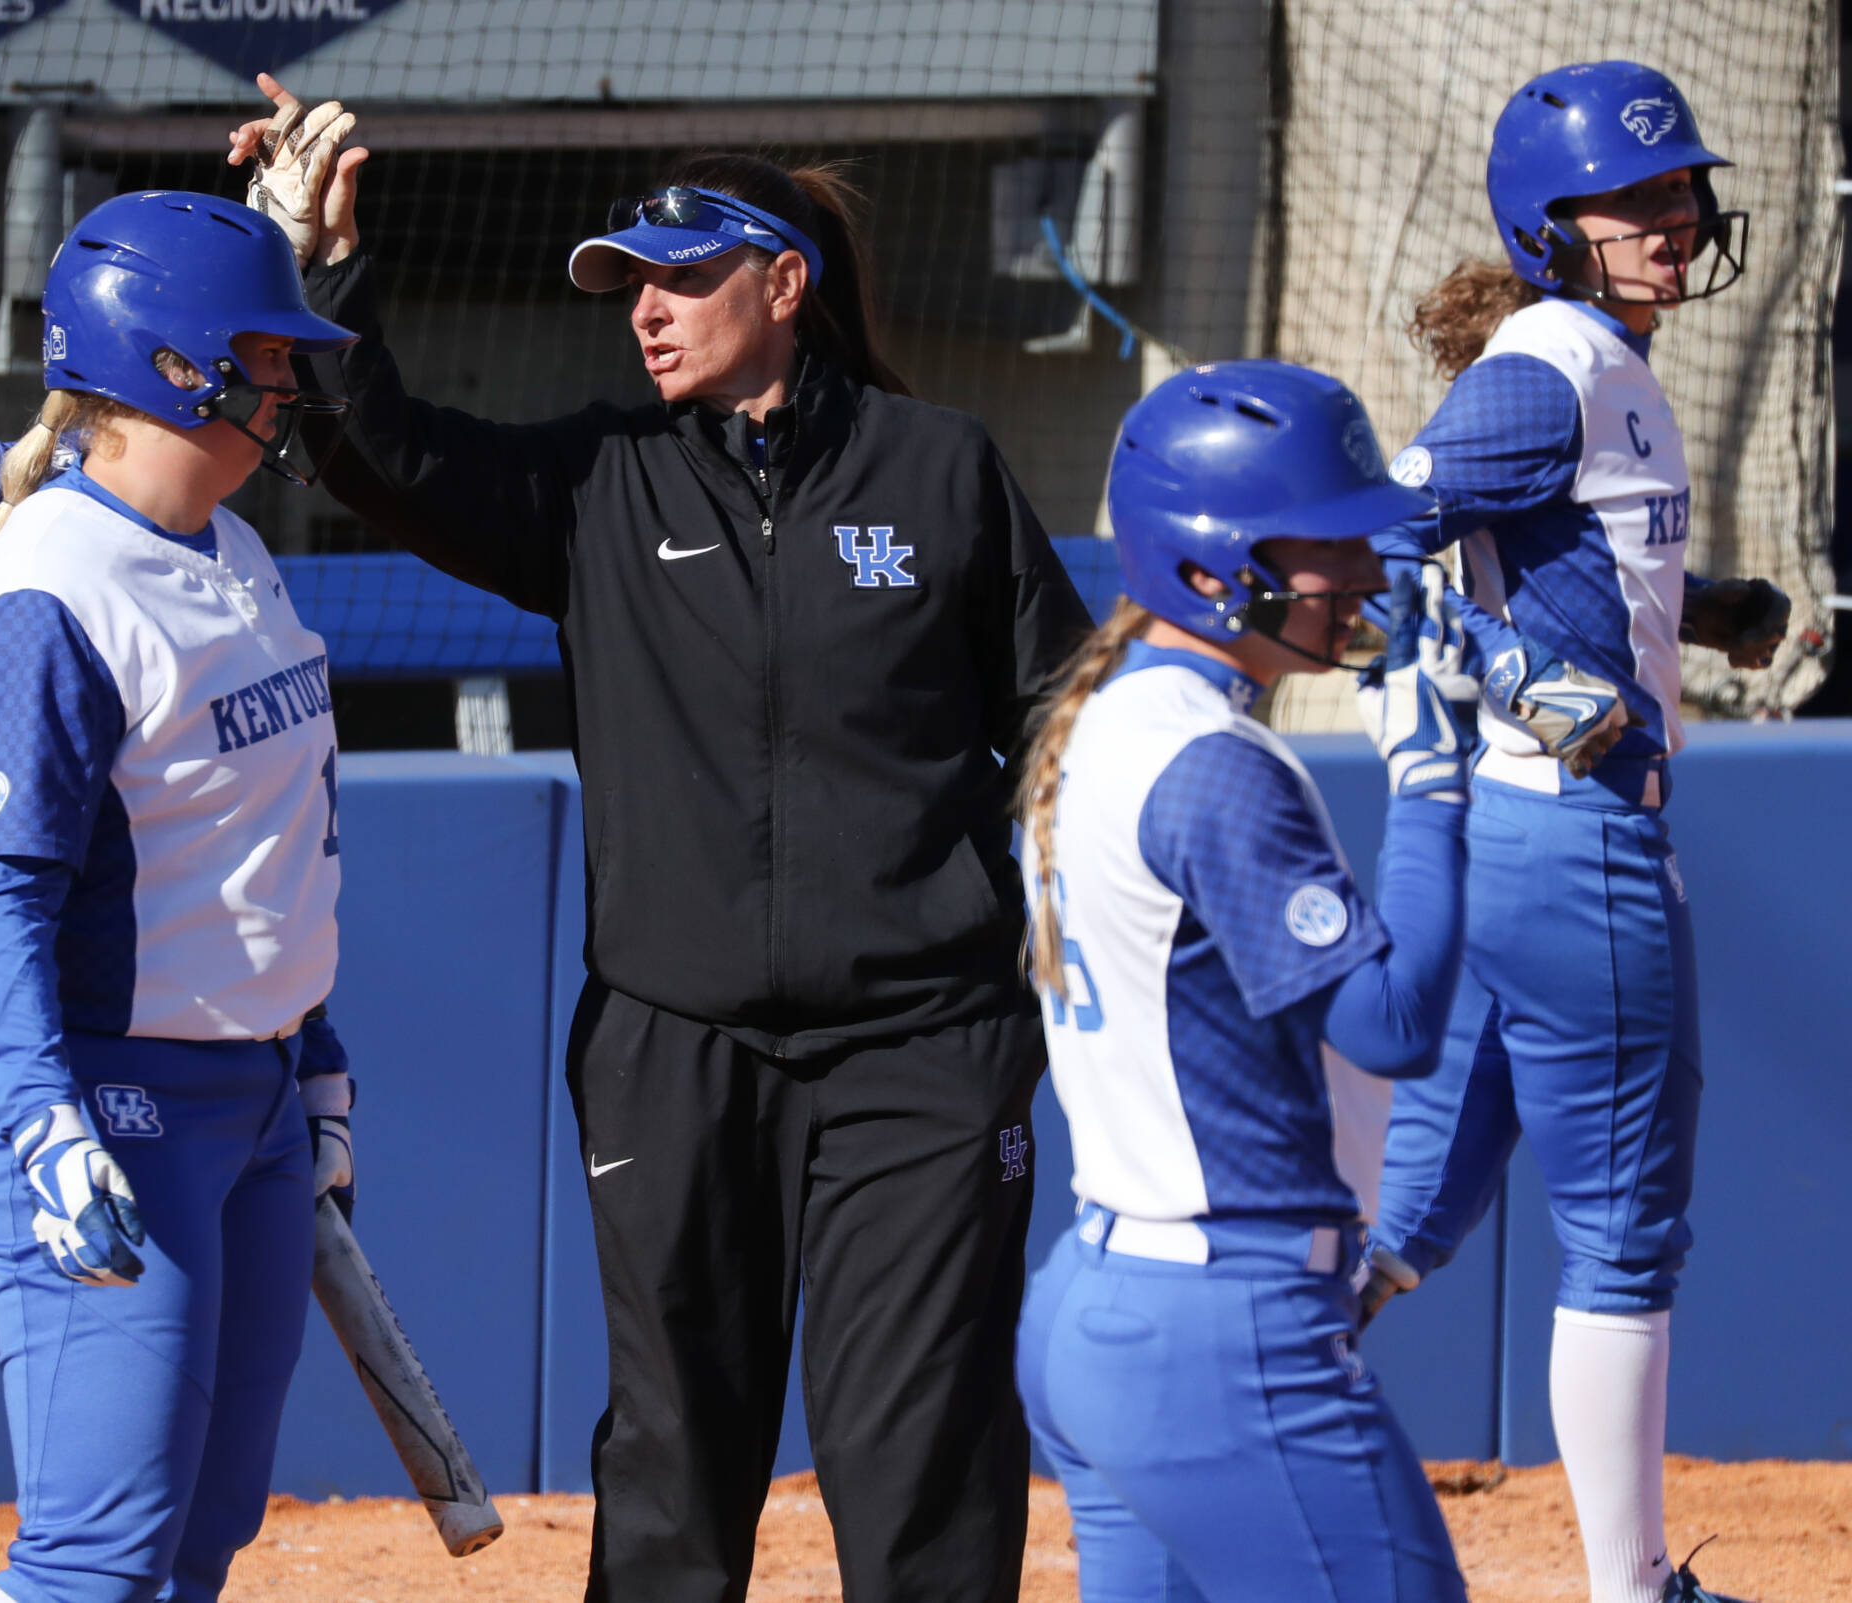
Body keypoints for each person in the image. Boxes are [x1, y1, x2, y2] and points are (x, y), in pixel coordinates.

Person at [227, 76, 1093, 1603]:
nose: (646, 309)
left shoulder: (942, 468)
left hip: (926, 1053)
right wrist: (316, 267)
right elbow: (379, 450)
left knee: (927, 1456)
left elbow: (1070, 727)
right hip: (674, 1049)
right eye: (629, 283)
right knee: (676, 1461)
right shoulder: (597, 483)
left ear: (785, 283)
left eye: (684, 278)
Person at [0, 188, 359, 1603]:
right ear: (172, 362)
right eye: (265, 355)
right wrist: (47, 1128)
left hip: (247, 1097)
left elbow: (264, 852)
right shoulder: (49, 589)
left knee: (201, 1532)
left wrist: (313, 1065)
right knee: (96, 1553)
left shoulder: (235, 550)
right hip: (92, 1094)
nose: (287, 384)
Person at [1358, 62, 1784, 1603]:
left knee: (1404, 1218)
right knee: (1621, 1241)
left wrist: (1702, 606)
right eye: (1640, 199)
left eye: (1683, 192)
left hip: (1508, 847)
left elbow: (1518, 548)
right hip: (1581, 846)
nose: (1677, 222)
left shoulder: (1594, 353)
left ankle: (1218, 1416)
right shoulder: (1555, 362)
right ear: (1553, 228)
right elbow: (1372, 536)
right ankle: (1634, 1588)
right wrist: (1517, 675)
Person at [1013, 359, 1474, 1603]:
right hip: (1222, 1330)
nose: (1365, 576)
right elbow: (1391, 1025)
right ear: (1212, 568)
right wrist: (1431, 782)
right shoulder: (1212, 761)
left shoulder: (1103, 716)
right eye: (1328, 545)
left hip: (1106, 1302)